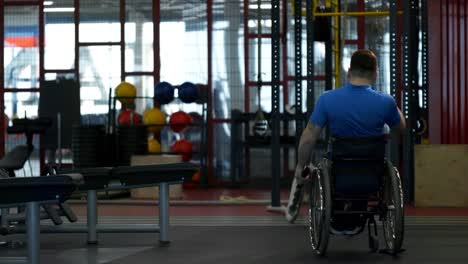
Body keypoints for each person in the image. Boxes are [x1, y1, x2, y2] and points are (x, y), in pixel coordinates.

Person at [285, 49, 406, 224]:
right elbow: (401, 128)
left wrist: (300, 166)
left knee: (325, 162)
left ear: (349, 72)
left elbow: (309, 137)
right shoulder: (386, 102)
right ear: (375, 74)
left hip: (339, 171)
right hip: (373, 170)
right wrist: (392, 107)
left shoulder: (327, 99)